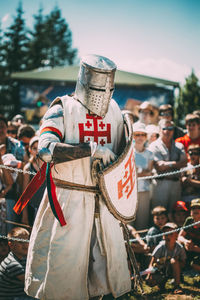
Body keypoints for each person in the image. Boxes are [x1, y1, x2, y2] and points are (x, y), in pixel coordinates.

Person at [23, 55, 132, 300]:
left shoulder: (115, 111)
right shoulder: (62, 108)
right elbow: (45, 150)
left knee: (103, 276)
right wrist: (90, 149)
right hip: (69, 201)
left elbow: (126, 156)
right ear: (84, 83)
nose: (102, 94)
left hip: (104, 204)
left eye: (108, 89)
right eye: (97, 88)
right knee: (64, 276)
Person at [149, 119, 187, 215]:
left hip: (176, 184)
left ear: (173, 130)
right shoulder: (153, 146)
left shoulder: (179, 145)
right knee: (159, 213)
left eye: (170, 128)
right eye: (164, 128)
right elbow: (159, 167)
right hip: (160, 183)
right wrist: (176, 164)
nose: (167, 131)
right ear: (159, 130)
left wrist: (167, 164)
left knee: (175, 213)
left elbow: (184, 163)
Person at [146, 222, 186, 294]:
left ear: (176, 235)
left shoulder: (179, 248)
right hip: (161, 270)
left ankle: (177, 286)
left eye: (171, 234)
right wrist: (149, 275)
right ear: (163, 236)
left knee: (174, 261)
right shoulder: (160, 247)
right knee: (150, 283)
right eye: (166, 234)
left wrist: (176, 262)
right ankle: (161, 284)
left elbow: (183, 263)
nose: (168, 236)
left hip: (173, 270)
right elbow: (151, 263)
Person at [0, 227, 35, 299]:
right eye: (21, 242)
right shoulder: (12, 264)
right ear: (11, 244)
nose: (26, 245)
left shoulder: (23, 258)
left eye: (27, 241)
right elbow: (32, 284)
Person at [132, 122, 153, 230]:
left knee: (143, 222)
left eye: (142, 135)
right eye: (137, 134)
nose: (140, 137)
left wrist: (137, 171)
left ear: (146, 137)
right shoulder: (129, 152)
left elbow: (149, 173)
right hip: (130, 191)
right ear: (133, 136)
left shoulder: (150, 153)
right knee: (129, 221)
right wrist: (142, 171)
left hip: (144, 191)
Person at [21, 136, 46, 226]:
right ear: (30, 150)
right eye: (34, 148)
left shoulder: (48, 166)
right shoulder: (28, 167)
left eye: (39, 148)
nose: (37, 151)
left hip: (46, 207)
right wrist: (25, 216)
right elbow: (25, 193)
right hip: (33, 207)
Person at [178, 198, 200, 273]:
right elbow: (180, 236)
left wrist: (195, 248)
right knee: (177, 249)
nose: (196, 210)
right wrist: (185, 242)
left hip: (197, 249)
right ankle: (178, 275)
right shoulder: (189, 220)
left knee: (195, 265)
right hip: (190, 247)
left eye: (199, 208)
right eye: (193, 208)